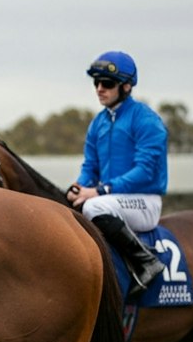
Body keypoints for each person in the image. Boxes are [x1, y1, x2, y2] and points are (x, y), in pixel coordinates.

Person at [67, 50, 168, 298]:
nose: (100, 89)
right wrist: (80, 187)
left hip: (145, 202)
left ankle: (147, 261)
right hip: (112, 201)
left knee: (93, 208)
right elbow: (90, 166)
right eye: (96, 83)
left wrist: (100, 190)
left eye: (107, 84)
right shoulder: (98, 123)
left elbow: (145, 172)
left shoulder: (146, 120)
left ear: (125, 86)